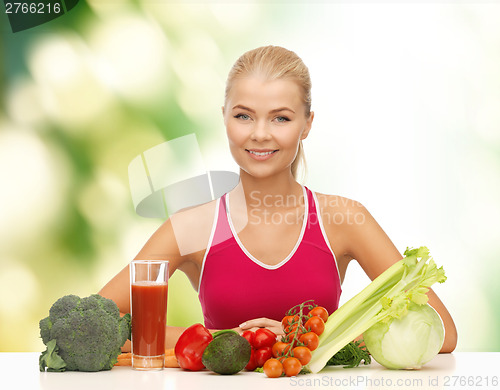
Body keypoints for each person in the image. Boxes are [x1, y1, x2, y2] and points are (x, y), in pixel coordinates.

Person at [99, 45, 457, 352]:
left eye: (280, 118)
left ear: (307, 124)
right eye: (243, 116)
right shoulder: (191, 227)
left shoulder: (344, 218)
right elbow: (98, 324)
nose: (259, 134)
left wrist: (305, 339)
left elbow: (442, 331)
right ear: (224, 119)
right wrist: (220, 340)